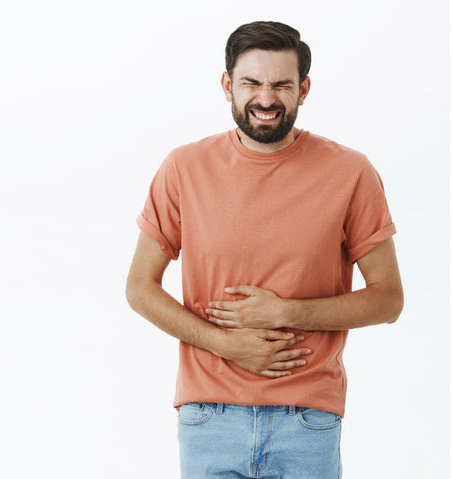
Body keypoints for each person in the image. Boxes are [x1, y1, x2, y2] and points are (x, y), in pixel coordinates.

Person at [125, 21, 403, 479]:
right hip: (209, 417)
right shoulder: (183, 168)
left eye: (281, 84)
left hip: (307, 419)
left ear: (304, 89)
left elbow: (389, 298)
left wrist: (283, 312)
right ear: (227, 85)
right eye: (252, 83)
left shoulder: (351, 172)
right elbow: (139, 287)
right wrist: (225, 344)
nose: (266, 99)